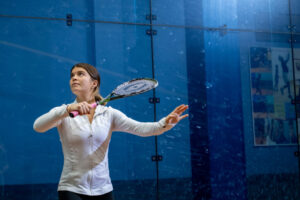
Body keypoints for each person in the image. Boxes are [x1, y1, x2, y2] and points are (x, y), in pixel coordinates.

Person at [33, 63, 189, 200]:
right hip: (71, 189)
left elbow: (141, 129)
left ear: (94, 83)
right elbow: (38, 126)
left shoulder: (109, 114)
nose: (74, 78)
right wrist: (67, 109)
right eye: (72, 75)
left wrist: (166, 123)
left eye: (80, 74)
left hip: (104, 189)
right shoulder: (63, 113)